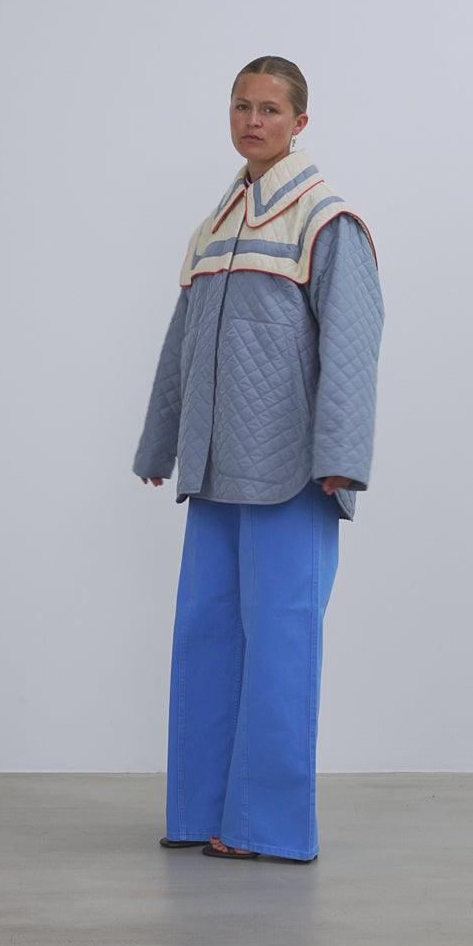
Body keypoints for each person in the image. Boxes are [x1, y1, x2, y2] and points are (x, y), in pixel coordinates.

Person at [133, 56, 384, 863]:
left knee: (280, 647)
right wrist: (160, 441)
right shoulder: (216, 226)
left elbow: (352, 347)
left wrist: (341, 457)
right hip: (214, 471)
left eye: (270, 109)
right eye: (242, 106)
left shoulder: (328, 220)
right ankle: (200, 812)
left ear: (300, 123)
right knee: (205, 640)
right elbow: (182, 339)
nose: (253, 120)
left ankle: (267, 826)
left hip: (291, 474)